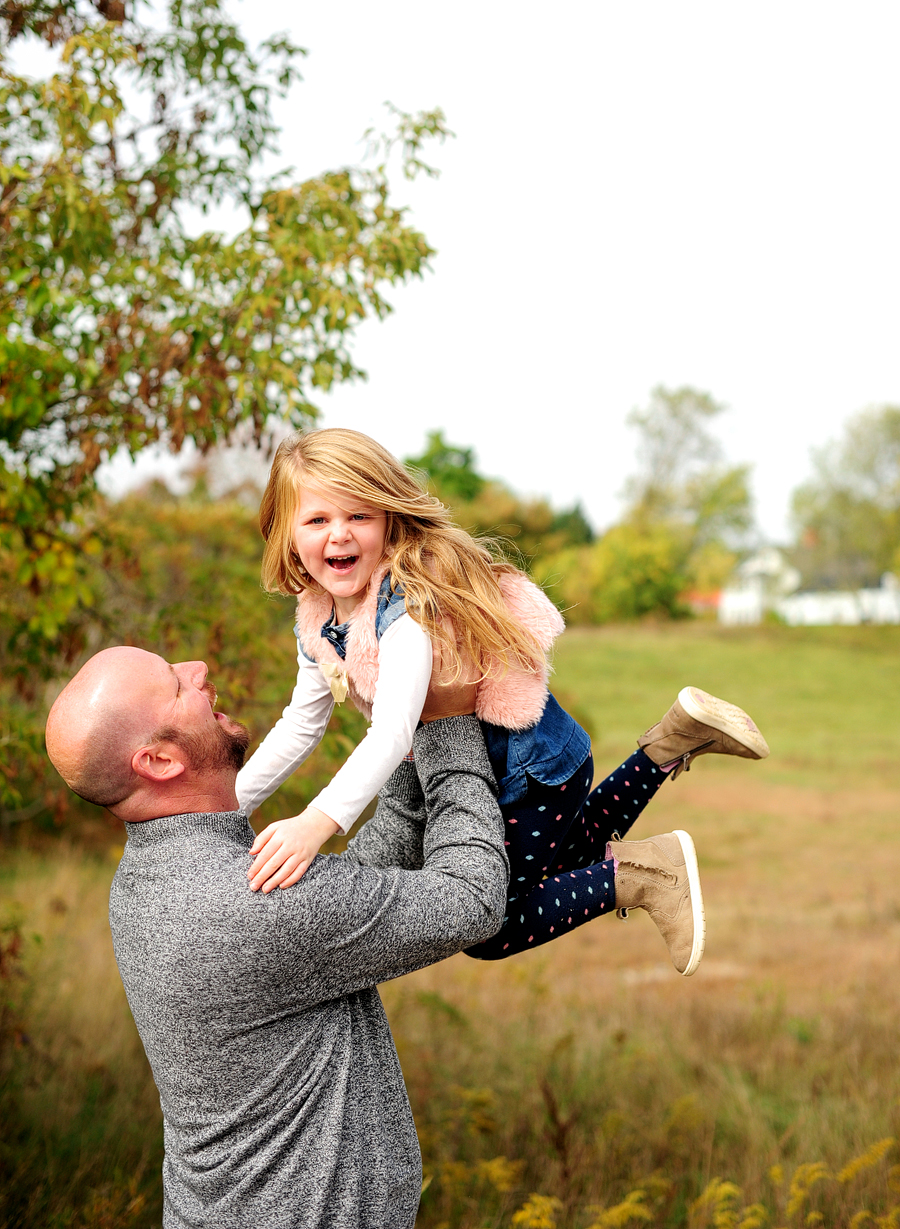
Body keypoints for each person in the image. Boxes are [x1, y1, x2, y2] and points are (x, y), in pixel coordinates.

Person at [45, 646, 705, 1226]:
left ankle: (651, 799)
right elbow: (473, 900)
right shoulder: (244, 902)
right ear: (158, 759)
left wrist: (404, 728)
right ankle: (641, 848)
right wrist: (445, 723)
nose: (200, 670)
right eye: (175, 684)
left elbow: (351, 892)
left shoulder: (153, 880)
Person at [234, 428, 770, 974]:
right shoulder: (319, 615)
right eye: (318, 519)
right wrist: (228, 807)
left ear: (390, 520)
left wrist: (316, 822)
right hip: (514, 764)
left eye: (359, 517)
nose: (339, 536)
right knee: (573, 854)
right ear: (287, 532)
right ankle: (672, 742)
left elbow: (393, 733)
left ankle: (646, 874)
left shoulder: (406, 610)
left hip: (526, 770)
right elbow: (301, 723)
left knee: (492, 922)